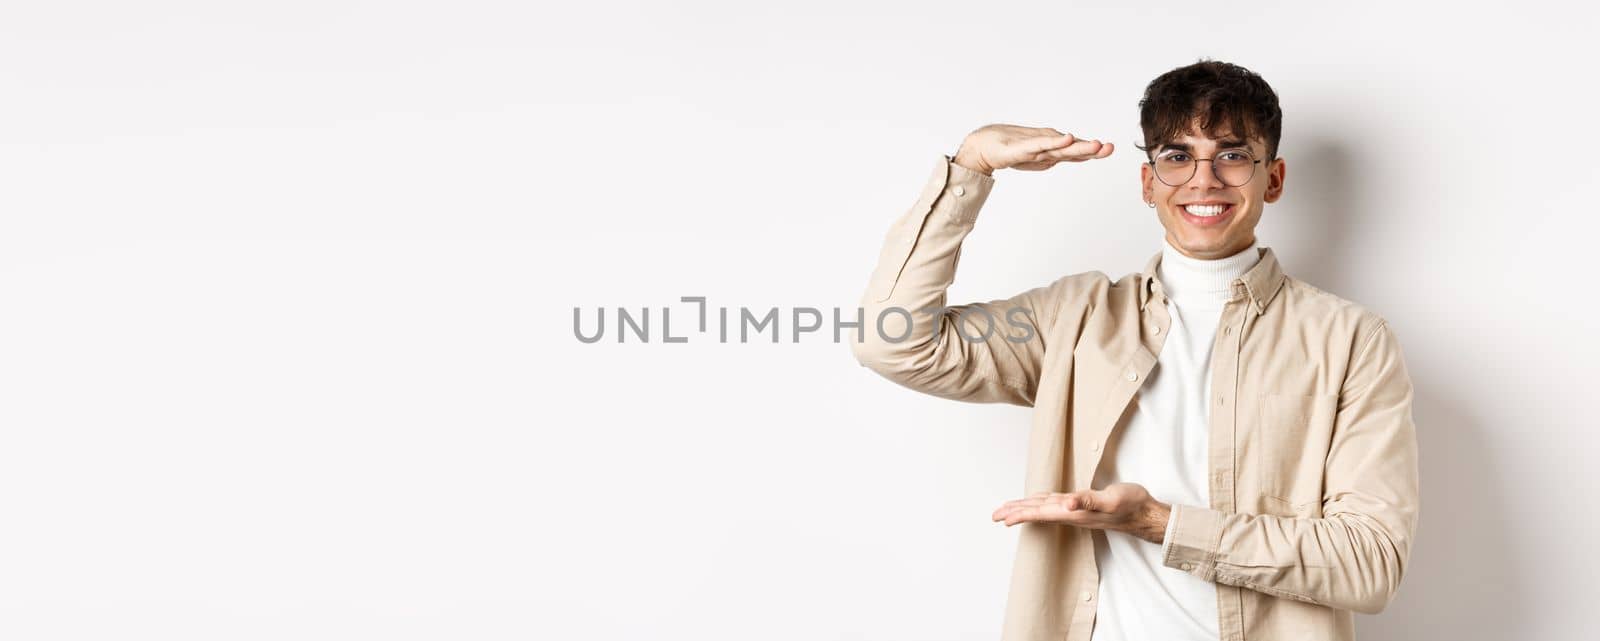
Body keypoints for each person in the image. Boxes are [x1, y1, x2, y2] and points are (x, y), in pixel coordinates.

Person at [848, 60, 1419, 641]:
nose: (1204, 180)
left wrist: (1156, 523)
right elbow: (892, 342)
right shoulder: (1073, 318)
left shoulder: (1350, 340)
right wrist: (971, 167)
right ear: (1149, 183)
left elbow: (1370, 564)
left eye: (1232, 154)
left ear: (1272, 179)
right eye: (1176, 156)